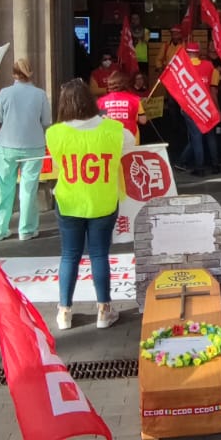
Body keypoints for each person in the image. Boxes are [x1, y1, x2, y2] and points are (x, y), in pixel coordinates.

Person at [46, 79, 134, 330]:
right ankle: (104, 310)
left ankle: (64, 311)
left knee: (69, 256)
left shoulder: (54, 133)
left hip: (69, 201)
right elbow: (130, 143)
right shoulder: (115, 130)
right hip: (103, 201)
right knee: (99, 254)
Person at [0, 58, 53, 242]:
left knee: (4, 187)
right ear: (31, 73)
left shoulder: (4, 93)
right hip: (33, 144)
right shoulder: (40, 94)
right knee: (28, 188)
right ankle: (26, 229)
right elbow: (46, 121)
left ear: (13, 74)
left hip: (6, 144)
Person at [181, 43, 221, 176]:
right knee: (211, 136)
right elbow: (213, 90)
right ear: (198, 53)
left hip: (191, 108)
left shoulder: (183, 68)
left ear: (187, 53)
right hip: (207, 106)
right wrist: (218, 110)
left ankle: (200, 168)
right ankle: (215, 165)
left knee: (196, 137)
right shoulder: (209, 66)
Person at [96, 70, 147, 141]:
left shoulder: (101, 102)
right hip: (131, 140)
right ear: (126, 84)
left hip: (109, 141)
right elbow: (143, 121)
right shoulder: (135, 100)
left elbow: (99, 123)